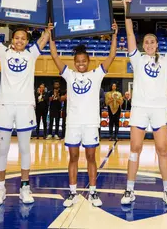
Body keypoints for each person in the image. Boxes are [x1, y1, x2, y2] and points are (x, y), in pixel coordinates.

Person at [120, 0, 167, 206]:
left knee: (162, 149)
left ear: (157, 44)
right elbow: (130, 32)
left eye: (153, 41)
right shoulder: (137, 58)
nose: (150, 44)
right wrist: (127, 8)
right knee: (135, 148)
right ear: (143, 45)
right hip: (140, 108)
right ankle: (129, 190)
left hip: (160, 109)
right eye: (147, 42)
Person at [0, 0, 52, 205]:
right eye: (17, 38)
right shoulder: (3, 52)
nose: (20, 40)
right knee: (2, 150)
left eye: (23, 38)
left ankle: (25, 187)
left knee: (24, 149)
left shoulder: (32, 54)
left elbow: (45, 37)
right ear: (12, 40)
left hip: (25, 107)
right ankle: (0, 189)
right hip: (4, 106)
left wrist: (48, 25)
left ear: (27, 41)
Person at [49, 21, 118, 207]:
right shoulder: (69, 75)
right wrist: (50, 35)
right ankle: (72, 192)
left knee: (91, 158)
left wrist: (114, 35)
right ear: (74, 63)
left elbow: (112, 55)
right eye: (78, 61)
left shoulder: (96, 74)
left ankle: (93, 193)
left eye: (84, 61)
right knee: (72, 158)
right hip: (73, 123)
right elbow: (54, 56)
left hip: (90, 123)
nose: (81, 64)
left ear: (88, 62)